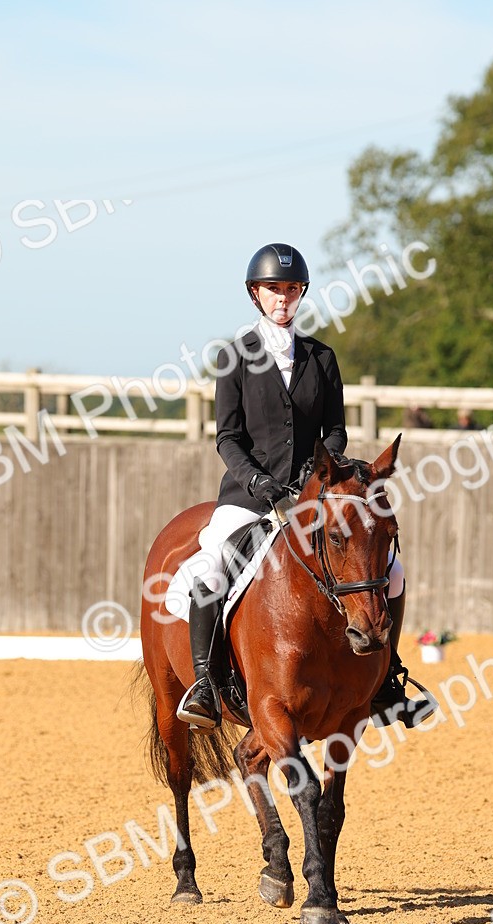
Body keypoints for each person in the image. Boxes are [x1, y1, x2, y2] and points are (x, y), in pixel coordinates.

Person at [177, 243, 430, 732]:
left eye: (292, 290)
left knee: (392, 572)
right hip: (251, 497)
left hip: (314, 496)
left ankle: (387, 681)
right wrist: (261, 482)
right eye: (274, 289)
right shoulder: (235, 358)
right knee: (210, 571)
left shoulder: (321, 357)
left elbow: (335, 430)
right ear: (256, 294)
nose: (283, 299)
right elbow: (227, 438)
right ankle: (206, 686)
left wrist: (319, 475)